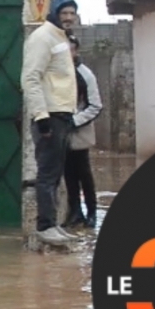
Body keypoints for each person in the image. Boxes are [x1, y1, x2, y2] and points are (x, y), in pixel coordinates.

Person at [21, 0, 80, 247]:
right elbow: (30, 78)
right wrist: (41, 116)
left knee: (55, 174)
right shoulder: (43, 38)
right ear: (54, 12)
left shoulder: (61, 38)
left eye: (71, 13)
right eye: (64, 13)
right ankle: (45, 226)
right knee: (47, 174)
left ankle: (53, 223)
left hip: (63, 114)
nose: (68, 18)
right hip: (50, 115)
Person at [62, 35, 103, 231]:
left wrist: (75, 121)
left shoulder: (85, 75)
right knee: (68, 173)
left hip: (80, 130)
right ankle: (75, 212)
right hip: (62, 130)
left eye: (70, 50)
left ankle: (92, 213)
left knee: (84, 174)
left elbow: (95, 105)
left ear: (76, 51)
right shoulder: (58, 73)